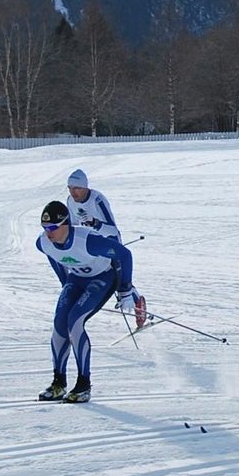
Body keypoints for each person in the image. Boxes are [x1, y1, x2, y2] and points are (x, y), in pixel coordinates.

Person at [35, 200, 140, 404]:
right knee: (59, 323)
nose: (49, 232)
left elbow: (124, 254)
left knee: (74, 322)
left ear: (66, 223)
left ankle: (83, 384)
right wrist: (65, 284)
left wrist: (125, 289)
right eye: (45, 228)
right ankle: (59, 382)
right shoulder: (43, 243)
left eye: (53, 228)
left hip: (103, 277)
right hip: (76, 279)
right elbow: (53, 256)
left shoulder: (88, 241)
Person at [64, 168, 120, 238]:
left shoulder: (97, 200)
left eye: (77, 188)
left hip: (109, 242)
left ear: (85, 187)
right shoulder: (70, 200)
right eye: (70, 188)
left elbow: (113, 231)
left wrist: (95, 223)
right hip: (88, 242)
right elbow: (74, 226)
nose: (72, 192)